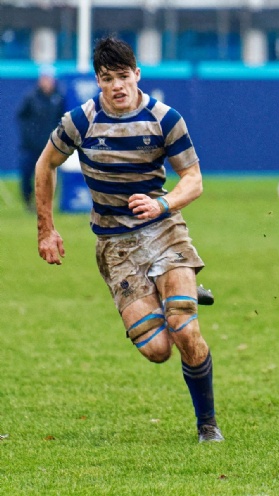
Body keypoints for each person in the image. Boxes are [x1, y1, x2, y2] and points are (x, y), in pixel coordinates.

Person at [34, 36, 223, 443]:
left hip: (163, 230)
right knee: (158, 350)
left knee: (184, 328)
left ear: (137, 74)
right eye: (107, 79)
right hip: (115, 246)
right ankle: (174, 292)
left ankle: (207, 425)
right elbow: (45, 163)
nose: (117, 85)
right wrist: (46, 229)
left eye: (123, 76)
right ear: (98, 81)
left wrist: (162, 204)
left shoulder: (165, 119)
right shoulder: (80, 121)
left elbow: (193, 179)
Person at [16, 64, 65, 211]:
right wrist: (28, 136)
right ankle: (28, 201)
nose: (47, 82)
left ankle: (45, 203)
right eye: (44, 78)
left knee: (49, 175)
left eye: (49, 79)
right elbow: (21, 117)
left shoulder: (59, 97)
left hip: (49, 145)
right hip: (30, 146)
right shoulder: (31, 97)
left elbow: (63, 118)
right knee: (27, 175)